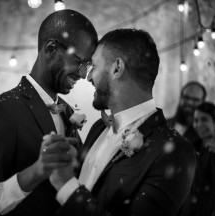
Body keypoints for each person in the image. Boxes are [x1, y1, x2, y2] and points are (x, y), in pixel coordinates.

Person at [45, 29, 196, 216]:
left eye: (94, 66)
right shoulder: (98, 128)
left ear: (117, 68)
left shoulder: (176, 151)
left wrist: (67, 186)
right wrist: (71, 165)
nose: (88, 77)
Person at [0, 9, 98, 216]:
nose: (82, 74)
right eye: (79, 61)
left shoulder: (68, 111)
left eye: (87, 66)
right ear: (51, 48)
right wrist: (32, 174)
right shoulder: (2, 110)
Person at [179, 102, 215, 216]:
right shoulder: (192, 145)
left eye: (204, 119)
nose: (199, 124)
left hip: (209, 209)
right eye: (196, 120)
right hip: (187, 207)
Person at [167, 81, 207, 152]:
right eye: (186, 97)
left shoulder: (206, 134)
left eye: (195, 100)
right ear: (180, 98)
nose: (189, 102)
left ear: (203, 103)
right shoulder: (163, 124)